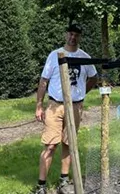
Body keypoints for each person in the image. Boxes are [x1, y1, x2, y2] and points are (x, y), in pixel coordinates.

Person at [32, 24, 98, 194]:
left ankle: (64, 180)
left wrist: (81, 92)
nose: (73, 37)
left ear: (79, 37)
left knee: (69, 144)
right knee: (50, 145)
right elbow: (43, 80)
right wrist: (39, 104)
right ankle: (41, 185)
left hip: (75, 107)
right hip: (55, 106)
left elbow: (93, 78)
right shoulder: (54, 55)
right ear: (65, 35)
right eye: (70, 34)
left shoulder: (85, 57)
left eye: (76, 35)